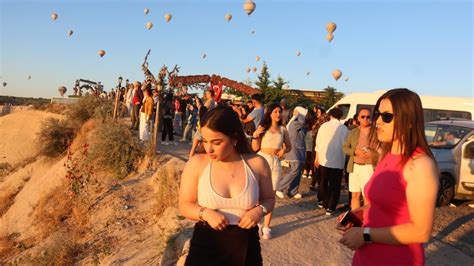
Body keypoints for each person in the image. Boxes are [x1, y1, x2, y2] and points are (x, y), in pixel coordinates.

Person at [338, 88, 438, 266]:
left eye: (387, 117)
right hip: (366, 257)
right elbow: (378, 206)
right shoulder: (386, 155)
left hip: (396, 259)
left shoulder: (420, 165)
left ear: (408, 121)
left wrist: (365, 234)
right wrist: (355, 215)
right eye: (377, 115)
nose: (377, 121)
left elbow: (421, 231)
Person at [179, 106, 275, 265]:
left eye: (216, 142)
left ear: (234, 138)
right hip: (205, 244)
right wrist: (206, 213)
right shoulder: (197, 163)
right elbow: (184, 205)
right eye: (205, 141)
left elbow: (269, 199)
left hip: (246, 246)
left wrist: (259, 211)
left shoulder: (257, 164)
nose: (208, 148)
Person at [251, 103, 291, 240]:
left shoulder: (283, 129)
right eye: (275, 111)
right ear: (269, 113)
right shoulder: (263, 128)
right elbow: (254, 148)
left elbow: (289, 147)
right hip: (262, 160)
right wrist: (255, 136)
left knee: (271, 196)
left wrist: (283, 150)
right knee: (258, 195)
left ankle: (267, 226)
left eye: (279, 111)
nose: (278, 114)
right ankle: (257, 223)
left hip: (275, 162)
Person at [314, 107, 348, 215]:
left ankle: (322, 201)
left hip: (325, 158)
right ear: (341, 116)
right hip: (338, 160)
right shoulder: (344, 129)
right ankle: (331, 207)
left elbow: (318, 142)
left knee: (323, 181)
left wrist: (317, 157)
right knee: (335, 184)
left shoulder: (324, 126)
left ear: (330, 115)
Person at [342, 108, 376, 210]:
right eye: (363, 117)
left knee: (367, 197)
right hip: (354, 167)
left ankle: (366, 222)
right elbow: (345, 147)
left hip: (368, 167)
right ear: (358, 118)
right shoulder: (353, 132)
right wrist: (355, 151)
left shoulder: (376, 132)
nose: (366, 119)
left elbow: (383, 151)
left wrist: (372, 154)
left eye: (368, 117)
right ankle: (355, 221)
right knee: (355, 196)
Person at [276, 106, 307, 200]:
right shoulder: (296, 122)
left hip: (298, 150)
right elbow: (302, 121)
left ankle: (293, 191)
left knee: (297, 171)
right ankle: (279, 187)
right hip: (295, 150)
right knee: (295, 170)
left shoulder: (295, 122)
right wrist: (300, 114)